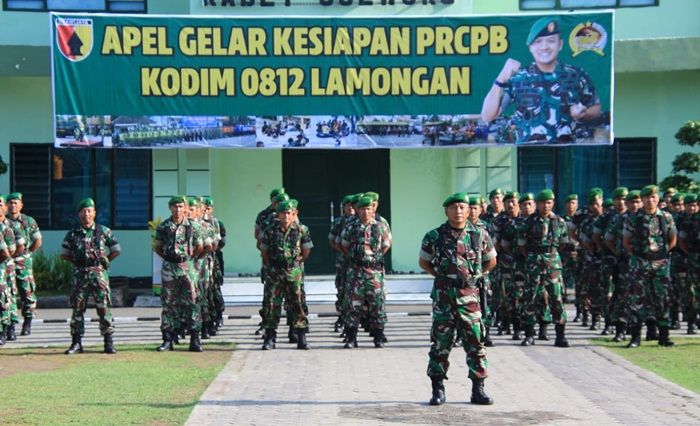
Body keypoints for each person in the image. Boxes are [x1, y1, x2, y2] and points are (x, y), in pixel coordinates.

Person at [420, 193, 495, 406]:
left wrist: (475, 277)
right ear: (446, 211)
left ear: (469, 210)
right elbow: (424, 262)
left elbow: (491, 261)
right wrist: (442, 277)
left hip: (470, 299)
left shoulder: (480, 235)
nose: (458, 211)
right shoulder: (434, 236)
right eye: (453, 207)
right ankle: (438, 389)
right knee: (441, 344)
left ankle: (478, 390)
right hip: (444, 298)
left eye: (462, 207)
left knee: (475, 342)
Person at [481, 17, 601, 144]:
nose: (544, 47)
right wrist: (501, 77)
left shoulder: (577, 75)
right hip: (528, 154)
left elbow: (596, 109)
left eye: (551, 41)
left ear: (560, 45)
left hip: (566, 151)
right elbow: (487, 115)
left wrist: (583, 113)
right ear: (530, 47)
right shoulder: (518, 78)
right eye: (538, 42)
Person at [60, 198, 121, 355]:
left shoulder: (103, 231)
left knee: (104, 308)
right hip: (80, 274)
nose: (86, 214)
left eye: (89, 211)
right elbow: (64, 254)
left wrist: (106, 260)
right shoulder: (72, 234)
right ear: (79, 214)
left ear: (94, 213)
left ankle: (108, 342)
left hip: (99, 274)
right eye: (83, 211)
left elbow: (116, 249)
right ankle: (76, 343)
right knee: (78, 309)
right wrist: (77, 262)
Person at [622, 185, 677, 348]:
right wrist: (640, 256)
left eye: (653, 197)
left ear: (658, 199)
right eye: (647, 197)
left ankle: (664, 336)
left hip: (660, 263)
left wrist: (661, 255)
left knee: (662, 298)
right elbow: (626, 241)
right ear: (643, 200)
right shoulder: (633, 218)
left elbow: (672, 239)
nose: (650, 200)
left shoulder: (666, 217)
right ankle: (635, 337)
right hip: (640, 262)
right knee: (637, 299)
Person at [517, 189, 570, 348]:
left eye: (549, 202)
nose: (546, 206)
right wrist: (534, 257)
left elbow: (563, 243)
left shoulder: (559, 221)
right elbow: (522, 246)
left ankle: (560, 336)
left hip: (553, 264)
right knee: (530, 299)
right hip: (534, 263)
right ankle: (529, 335)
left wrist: (550, 256)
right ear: (537, 204)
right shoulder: (528, 222)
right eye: (542, 202)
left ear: (552, 203)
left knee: (557, 299)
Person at [259, 199, 313, 350]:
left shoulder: (302, 229)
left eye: (288, 213)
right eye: (282, 213)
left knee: (297, 303)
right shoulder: (270, 230)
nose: (285, 216)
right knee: (272, 304)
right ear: (278, 214)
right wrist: (276, 264)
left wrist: (297, 262)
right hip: (275, 272)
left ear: (294, 213)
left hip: (293, 272)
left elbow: (306, 250)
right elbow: (264, 251)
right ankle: (270, 338)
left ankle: (301, 336)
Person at [153, 195, 204, 352]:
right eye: (175, 206)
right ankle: (168, 339)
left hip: (187, 266)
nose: (178, 209)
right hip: (170, 267)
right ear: (170, 208)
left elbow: (200, 246)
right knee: (168, 303)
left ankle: (195, 339)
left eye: (181, 206)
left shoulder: (193, 226)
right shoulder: (163, 227)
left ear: (186, 208)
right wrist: (170, 258)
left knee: (193, 302)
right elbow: (157, 247)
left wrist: (187, 258)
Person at [341, 195, 392, 349]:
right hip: (355, 271)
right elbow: (344, 245)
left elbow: (386, 245)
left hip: (374, 272)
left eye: (368, 208)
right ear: (358, 210)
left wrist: (373, 258)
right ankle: (351, 338)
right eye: (362, 209)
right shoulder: (351, 226)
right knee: (353, 305)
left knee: (377, 304)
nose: (365, 212)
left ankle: (378, 337)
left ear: (373, 209)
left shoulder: (380, 226)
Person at [5, 192, 42, 337]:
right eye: (11, 203)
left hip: (23, 262)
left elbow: (37, 241)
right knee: (9, 293)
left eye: (16, 203)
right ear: (6, 205)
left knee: (27, 292)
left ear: (21, 205)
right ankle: (11, 325)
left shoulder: (28, 221)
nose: (13, 205)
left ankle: (27, 322)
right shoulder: (3, 221)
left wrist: (26, 254)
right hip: (7, 262)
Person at [678, 194, 699, 334]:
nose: (692, 207)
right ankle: (691, 322)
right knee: (691, 292)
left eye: (694, 205)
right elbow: (682, 241)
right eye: (689, 205)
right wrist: (691, 254)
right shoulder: (688, 221)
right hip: (693, 260)